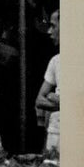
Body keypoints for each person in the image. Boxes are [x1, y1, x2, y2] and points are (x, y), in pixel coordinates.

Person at [35, 9, 61, 153]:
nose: (49, 32)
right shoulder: (56, 61)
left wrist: (54, 98)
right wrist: (58, 100)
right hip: (55, 131)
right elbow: (39, 100)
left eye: (53, 26)